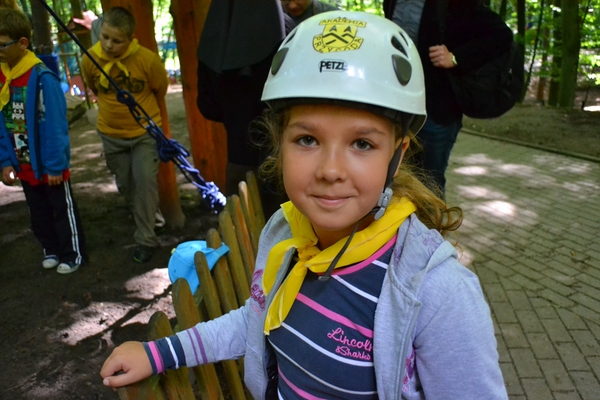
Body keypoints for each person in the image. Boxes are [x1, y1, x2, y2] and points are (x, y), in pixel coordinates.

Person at [100, 11, 507, 399]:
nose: (330, 170)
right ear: (280, 144)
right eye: (307, 140)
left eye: (362, 143)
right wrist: (161, 353)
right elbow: (257, 320)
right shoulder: (286, 232)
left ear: (396, 157)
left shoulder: (437, 295)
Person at [384, 0, 513, 196]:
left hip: (438, 109)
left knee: (429, 184)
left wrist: (456, 57)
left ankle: (432, 218)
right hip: (398, 107)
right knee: (396, 179)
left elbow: (501, 36)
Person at [0, 8, 87, 274]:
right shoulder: (2, 78)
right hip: (23, 163)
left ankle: (72, 253)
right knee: (37, 211)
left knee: (61, 209)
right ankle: (50, 248)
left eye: (2, 45)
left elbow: (56, 126)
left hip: (49, 165)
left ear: (22, 43)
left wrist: (55, 165)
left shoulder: (42, 78)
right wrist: (5, 160)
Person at [81, 7, 168, 263]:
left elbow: (159, 88)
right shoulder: (90, 59)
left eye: (117, 40)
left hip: (144, 132)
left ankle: (146, 239)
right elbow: (93, 86)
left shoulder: (147, 60)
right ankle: (153, 220)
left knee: (145, 181)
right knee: (127, 186)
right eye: (105, 37)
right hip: (111, 133)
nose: (109, 45)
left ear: (130, 39)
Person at [196, 0, 291, 216]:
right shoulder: (284, 30)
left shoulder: (215, 35)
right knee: (287, 229)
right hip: (283, 162)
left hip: (238, 162)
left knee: (243, 230)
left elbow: (207, 106)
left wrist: (236, 117)